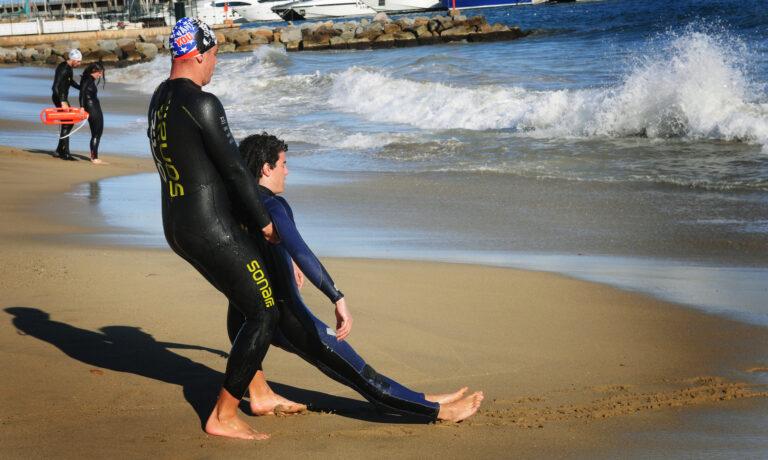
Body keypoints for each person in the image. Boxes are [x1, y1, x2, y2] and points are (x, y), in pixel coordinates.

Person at [228, 133, 484, 422]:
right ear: (266, 168)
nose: (287, 171)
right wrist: (337, 297)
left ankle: (421, 398)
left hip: (254, 317)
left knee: (357, 371)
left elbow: (263, 252)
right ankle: (438, 412)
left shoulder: (238, 206)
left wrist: (286, 261)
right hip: (292, 322)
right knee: (361, 375)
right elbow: (302, 251)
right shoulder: (274, 205)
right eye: (283, 164)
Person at [146, 17, 280, 441]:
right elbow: (237, 172)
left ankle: (258, 393)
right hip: (209, 225)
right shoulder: (204, 103)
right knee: (264, 310)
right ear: (199, 53)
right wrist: (265, 222)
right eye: (216, 55)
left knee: (244, 299)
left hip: (177, 223)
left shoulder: (159, 98)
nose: (216, 65)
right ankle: (223, 414)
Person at [51, 49, 82, 160]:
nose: (79, 63)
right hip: (60, 98)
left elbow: (70, 81)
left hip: (63, 99)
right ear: (72, 59)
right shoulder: (63, 69)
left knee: (68, 123)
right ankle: (65, 153)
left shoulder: (68, 68)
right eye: (78, 61)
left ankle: (60, 150)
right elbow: (54, 87)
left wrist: (81, 87)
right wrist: (62, 102)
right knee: (68, 123)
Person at [79, 62, 107, 164]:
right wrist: (82, 107)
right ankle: (94, 158)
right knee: (96, 133)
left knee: (98, 132)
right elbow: (82, 93)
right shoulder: (87, 79)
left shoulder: (88, 79)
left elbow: (81, 89)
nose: (100, 75)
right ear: (94, 71)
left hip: (94, 106)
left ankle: (94, 156)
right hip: (91, 107)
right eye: (99, 73)